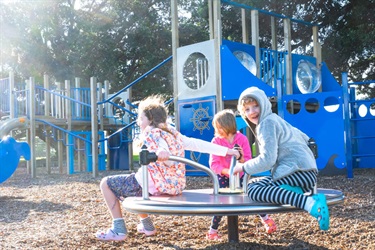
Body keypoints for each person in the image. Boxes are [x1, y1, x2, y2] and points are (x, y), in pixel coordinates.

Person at [95, 95, 240, 241]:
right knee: (136, 183)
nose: (138, 122)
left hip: (152, 185)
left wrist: (162, 152)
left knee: (106, 183)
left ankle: (118, 230)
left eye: (141, 118)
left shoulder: (151, 132)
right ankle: (147, 226)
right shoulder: (172, 133)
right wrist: (227, 151)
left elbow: (160, 145)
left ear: (150, 119)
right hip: (173, 186)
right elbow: (197, 144)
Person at [233, 87, 329, 231]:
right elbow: (307, 139)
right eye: (246, 109)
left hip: (296, 172)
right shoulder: (276, 119)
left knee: (253, 189)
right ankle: (293, 191)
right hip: (308, 174)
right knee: (257, 182)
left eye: (255, 106)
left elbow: (268, 160)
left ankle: (310, 204)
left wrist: (243, 167)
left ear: (264, 104)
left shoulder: (266, 124)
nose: (251, 112)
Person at [206, 109, 277, 240]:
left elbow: (249, 160)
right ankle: (212, 231)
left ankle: (266, 219)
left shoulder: (242, 139)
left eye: (219, 127)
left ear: (227, 125)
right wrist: (227, 171)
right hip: (223, 175)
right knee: (221, 202)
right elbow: (214, 164)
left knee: (252, 194)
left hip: (240, 173)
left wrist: (241, 161)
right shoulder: (216, 141)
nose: (217, 131)